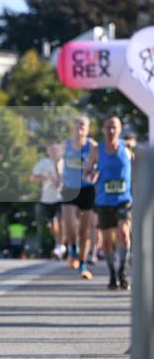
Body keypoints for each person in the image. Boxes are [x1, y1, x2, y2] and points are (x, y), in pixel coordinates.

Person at [84, 115, 132, 291]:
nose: (111, 131)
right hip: (104, 201)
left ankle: (123, 272)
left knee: (124, 233)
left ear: (120, 130)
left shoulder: (127, 149)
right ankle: (112, 273)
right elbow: (87, 173)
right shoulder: (97, 150)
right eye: (108, 127)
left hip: (123, 200)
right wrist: (92, 176)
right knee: (106, 242)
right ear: (103, 130)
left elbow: (139, 166)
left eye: (114, 127)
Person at [61, 115, 97, 280]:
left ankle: (83, 264)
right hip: (69, 188)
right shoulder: (66, 145)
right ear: (72, 129)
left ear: (88, 129)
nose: (79, 130)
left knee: (84, 231)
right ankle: (72, 250)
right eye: (77, 126)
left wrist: (95, 174)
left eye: (83, 126)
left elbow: (101, 166)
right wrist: (56, 175)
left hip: (87, 189)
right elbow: (56, 160)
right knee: (68, 225)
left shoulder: (93, 147)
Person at [31, 144, 64, 258]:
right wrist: (43, 178)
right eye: (52, 149)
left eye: (57, 149)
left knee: (61, 221)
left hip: (62, 197)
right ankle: (59, 242)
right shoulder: (44, 163)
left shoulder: (65, 163)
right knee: (52, 225)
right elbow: (32, 177)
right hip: (47, 198)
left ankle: (59, 246)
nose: (54, 151)